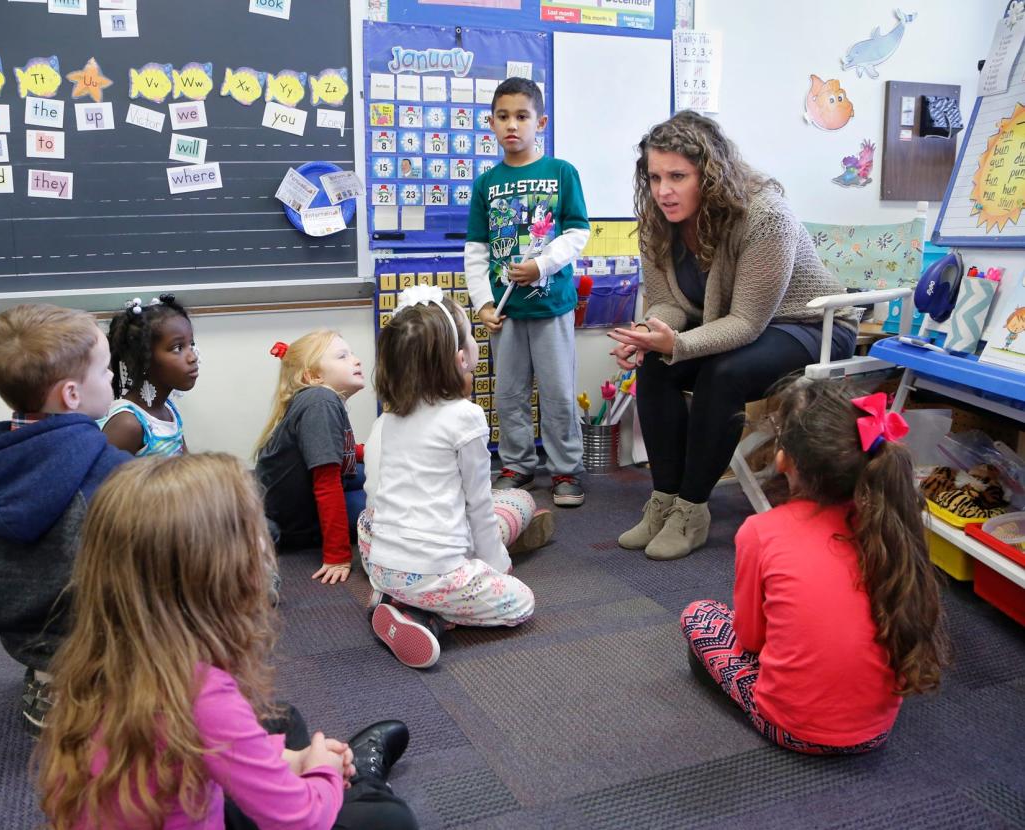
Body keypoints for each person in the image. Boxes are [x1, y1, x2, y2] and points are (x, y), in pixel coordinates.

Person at [37, 453, 418, 830]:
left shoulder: (105, 661)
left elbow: (196, 744)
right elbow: (303, 819)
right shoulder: (202, 694)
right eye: (257, 536)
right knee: (388, 819)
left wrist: (291, 759)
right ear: (222, 576)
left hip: (179, 797)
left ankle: (322, 774)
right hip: (231, 805)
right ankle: (363, 782)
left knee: (282, 720)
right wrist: (323, 770)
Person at [609, 110, 859, 560]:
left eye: (678, 176)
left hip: (809, 326)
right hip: (736, 326)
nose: (663, 191)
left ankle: (692, 509)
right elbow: (669, 304)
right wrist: (649, 334)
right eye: (654, 177)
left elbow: (746, 322)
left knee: (723, 374)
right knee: (656, 366)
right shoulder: (656, 221)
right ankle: (663, 500)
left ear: (711, 174)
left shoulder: (766, 216)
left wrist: (679, 345)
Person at [681, 380, 949, 754]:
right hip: (876, 731)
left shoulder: (762, 531)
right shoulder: (891, 527)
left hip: (790, 729)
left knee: (699, 615)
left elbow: (751, 640)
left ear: (782, 459)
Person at [0, 304, 132, 736]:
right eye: (104, 372)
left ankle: (50, 684)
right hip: (96, 633)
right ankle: (99, 687)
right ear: (71, 395)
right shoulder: (109, 471)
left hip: (20, 629)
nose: (112, 381)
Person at [359, 285, 551, 669]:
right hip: (436, 571)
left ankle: (394, 601)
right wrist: (496, 565)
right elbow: (479, 504)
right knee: (522, 601)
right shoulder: (467, 418)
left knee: (379, 526)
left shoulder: (392, 417)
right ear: (461, 358)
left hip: (382, 565)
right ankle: (427, 618)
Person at [465, 77, 591, 507]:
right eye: (503, 117)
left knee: (557, 392)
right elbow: (477, 251)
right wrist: (482, 303)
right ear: (491, 123)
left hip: (552, 306)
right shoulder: (486, 184)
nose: (512, 125)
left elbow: (577, 233)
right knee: (509, 394)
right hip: (506, 312)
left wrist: (541, 265)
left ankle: (566, 470)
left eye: (522, 116)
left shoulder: (561, 172)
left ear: (541, 121)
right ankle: (518, 465)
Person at [254, 331, 366, 586]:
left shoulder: (321, 399)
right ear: (313, 376)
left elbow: (335, 448)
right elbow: (326, 482)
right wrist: (337, 556)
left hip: (298, 497)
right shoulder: (320, 402)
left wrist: (365, 453)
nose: (356, 360)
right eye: (342, 356)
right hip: (297, 519)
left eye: (352, 353)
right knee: (384, 504)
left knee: (377, 469)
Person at [102, 293, 199, 457]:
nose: (193, 357)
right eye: (177, 348)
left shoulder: (168, 409)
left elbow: (187, 467)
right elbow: (106, 482)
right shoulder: (128, 424)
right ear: (144, 359)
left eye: (191, 345)